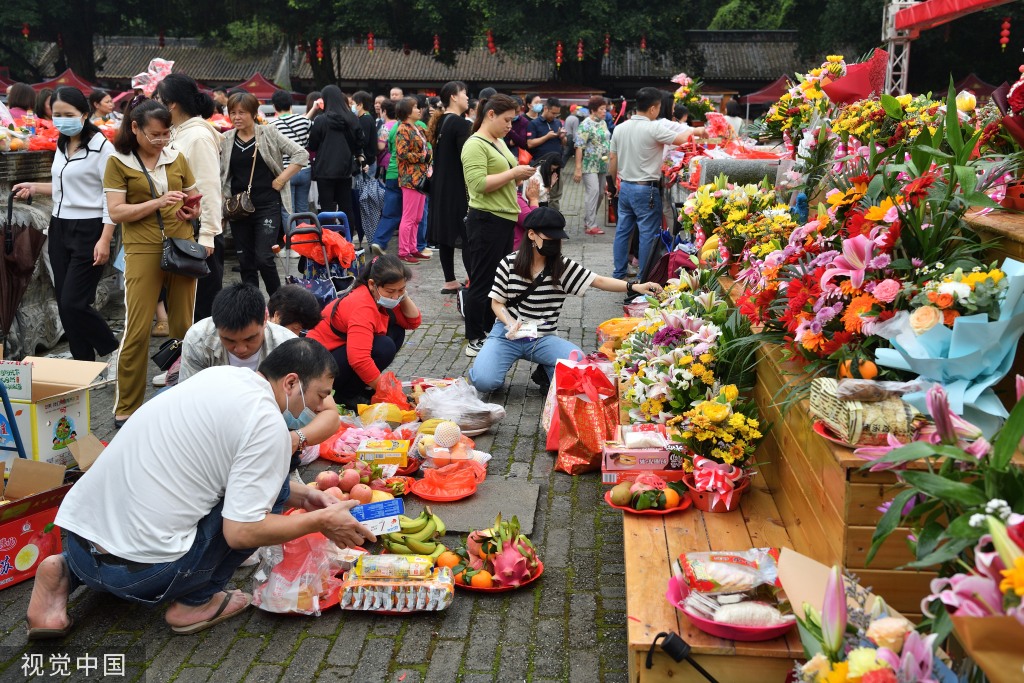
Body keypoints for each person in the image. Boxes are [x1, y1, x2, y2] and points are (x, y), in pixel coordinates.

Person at [26, 339, 372, 640]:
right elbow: (241, 532)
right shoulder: (267, 424)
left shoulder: (221, 376)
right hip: (141, 577)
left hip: (77, 541)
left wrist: (307, 496)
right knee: (268, 496)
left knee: (267, 481)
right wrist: (319, 521)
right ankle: (195, 603)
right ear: (292, 382)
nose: (318, 408)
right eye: (320, 396)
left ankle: (66, 571)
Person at [468, 207, 661, 392]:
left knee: (579, 364)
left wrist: (634, 286)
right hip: (507, 334)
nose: (555, 243)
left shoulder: (562, 267)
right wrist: (510, 322)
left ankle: (546, 370)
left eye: (558, 239)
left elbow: (599, 281)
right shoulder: (509, 263)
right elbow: (497, 302)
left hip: (542, 337)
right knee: (484, 381)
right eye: (549, 238)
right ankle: (498, 363)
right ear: (532, 235)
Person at [104, 98, 203, 427]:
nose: (161, 141)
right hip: (143, 248)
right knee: (137, 329)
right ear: (135, 128)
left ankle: (186, 400)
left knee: (184, 328)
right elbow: (117, 211)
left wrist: (192, 210)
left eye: (166, 133)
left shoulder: (177, 156)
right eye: (154, 134)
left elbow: (193, 198)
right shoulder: (119, 162)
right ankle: (127, 406)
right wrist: (158, 203)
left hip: (182, 245)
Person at [12, 87, 119, 365]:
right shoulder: (61, 144)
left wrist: (105, 239)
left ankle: (111, 347)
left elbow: (111, 195)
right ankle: (83, 362)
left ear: (84, 114)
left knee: (74, 302)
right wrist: (34, 186)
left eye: (69, 115)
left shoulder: (102, 148)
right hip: (60, 227)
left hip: (89, 229)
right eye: (57, 114)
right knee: (63, 302)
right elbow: (64, 185)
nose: (62, 120)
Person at [460, 94, 536, 357]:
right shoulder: (474, 144)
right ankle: (474, 338)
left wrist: (520, 175)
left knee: (499, 281)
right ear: (490, 114)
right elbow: (478, 184)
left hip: (504, 218)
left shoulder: (499, 140)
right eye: (506, 120)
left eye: (512, 121)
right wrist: (514, 173)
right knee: (482, 281)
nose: (510, 126)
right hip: (486, 219)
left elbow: (505, 178)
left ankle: (491, 330)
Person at [608, 87, 702, 284]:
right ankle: (644, 277)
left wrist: (613, 184)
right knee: (648, 235)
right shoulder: (653, 128)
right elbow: (683, 139)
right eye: (658, 107)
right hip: (646, 189)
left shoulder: (620, 128)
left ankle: (618, 274)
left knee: (623, 231)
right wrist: (695, 130)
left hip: (625, 186)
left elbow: (612, 159)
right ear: (652, 108)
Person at [220, 91, 308, 295]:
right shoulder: (226, 139)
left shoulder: (268, 133)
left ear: (253, 113)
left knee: (264, 258)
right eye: (232, 112)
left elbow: (300, 154)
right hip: (238, 208)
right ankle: (253, 305)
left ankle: (278, 301)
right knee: (245, 260)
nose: (236, 117)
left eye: (242, 112)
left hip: (267, 205)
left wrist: (281, 179)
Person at [305, 255, 421, 406]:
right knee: (384, 346)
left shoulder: (379, 296)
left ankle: (359, 387)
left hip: (339, 354)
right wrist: (389, 392)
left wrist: (403, 296)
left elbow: (412, 321)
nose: (395, 297)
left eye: (401, 289)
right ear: (372, 284)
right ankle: (346, 395)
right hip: (318, 367)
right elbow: (359, 360)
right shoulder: (362, 306)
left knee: (397, 331)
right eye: (390, 291)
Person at [157, 74, 225, 323]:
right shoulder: (178, 133)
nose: (157, 104)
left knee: (201, 310)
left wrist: (207, 234)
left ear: (171, 103)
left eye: (159, 99)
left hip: (197, 235)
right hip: (180, 231)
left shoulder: (197, 136)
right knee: (183, 308)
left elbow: (208, 189)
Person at [427, 81, 472, 294]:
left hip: (440, 186)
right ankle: (473, 279)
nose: (467, 97)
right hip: (457, 187)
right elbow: (468, 158)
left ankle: (450, 280)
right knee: (467, 234)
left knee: (446, 234)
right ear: (453, 97)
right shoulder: (461, 124)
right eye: (464, 93)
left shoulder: (442, 121)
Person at [306, 85, 364, 234]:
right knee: (346, 207)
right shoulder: (352, 119)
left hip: (324, 170)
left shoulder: (321, 120)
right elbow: (359, 142)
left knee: (326, 208)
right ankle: (347, 238)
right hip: (345, 169)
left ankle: (328, 240)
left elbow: (312, 145)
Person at [394, 97, 430, 265]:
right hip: (410, 178)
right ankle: (404, 251)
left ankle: (413, 248)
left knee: (417, 217)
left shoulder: (417, 128)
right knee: (409, 217)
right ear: (407, 112)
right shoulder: (403, 129)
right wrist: (423, 157)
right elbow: (402, 154)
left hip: (420, 177)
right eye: (415, 107)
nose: (418, 110)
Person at [269, 89, 313, 224]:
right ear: (291, 104)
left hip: (286, 171)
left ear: (274, 106)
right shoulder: (304, 121)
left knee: (288, 209)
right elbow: (312, 140)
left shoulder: (271, 126)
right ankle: (306, 235)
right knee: (303, 208)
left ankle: (292, 236)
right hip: (304, 168)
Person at [573, 95, 612, 236]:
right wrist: (578, 168)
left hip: (603, 163)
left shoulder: (603, 123)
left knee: (601, 193)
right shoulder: (585, 125)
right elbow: (579, 147)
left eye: (605, 109)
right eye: (601, 109)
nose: (604, 112)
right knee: (593, 191)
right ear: (593, 110)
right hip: (589, 164)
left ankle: (589, 219)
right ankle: (591, 225)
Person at [371, 99, 403, 254]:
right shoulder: (404, 126)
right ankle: (410, 246)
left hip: (388, 168)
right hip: (405, 172)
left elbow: (382, 145)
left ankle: (379, 240)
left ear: (384, 111)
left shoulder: (385, 127)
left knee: (390, 208)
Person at [527, 98, 564, 210]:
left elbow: (563, 143)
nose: (555, 116)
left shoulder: (557, 122)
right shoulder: (534, 123)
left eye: (557, 114)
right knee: (541, 194)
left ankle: (554, 216)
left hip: (556, 165)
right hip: (540, 166)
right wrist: (547, 137)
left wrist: (562, 137)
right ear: (546, 109)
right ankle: (541, 215)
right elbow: (530, 143)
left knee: (555, 196)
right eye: (553, 113)